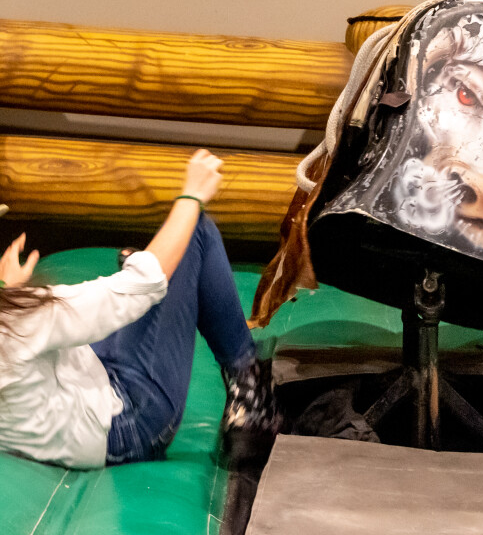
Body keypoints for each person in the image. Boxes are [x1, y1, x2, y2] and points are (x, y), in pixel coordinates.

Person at [0, 150, 279, 469]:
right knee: (194, 232)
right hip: (127, 426)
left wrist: (8, 289)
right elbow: (146, 280)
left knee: (151, 276)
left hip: (76, 396)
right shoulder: (16, 323)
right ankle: (252, 397)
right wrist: (192, 195)